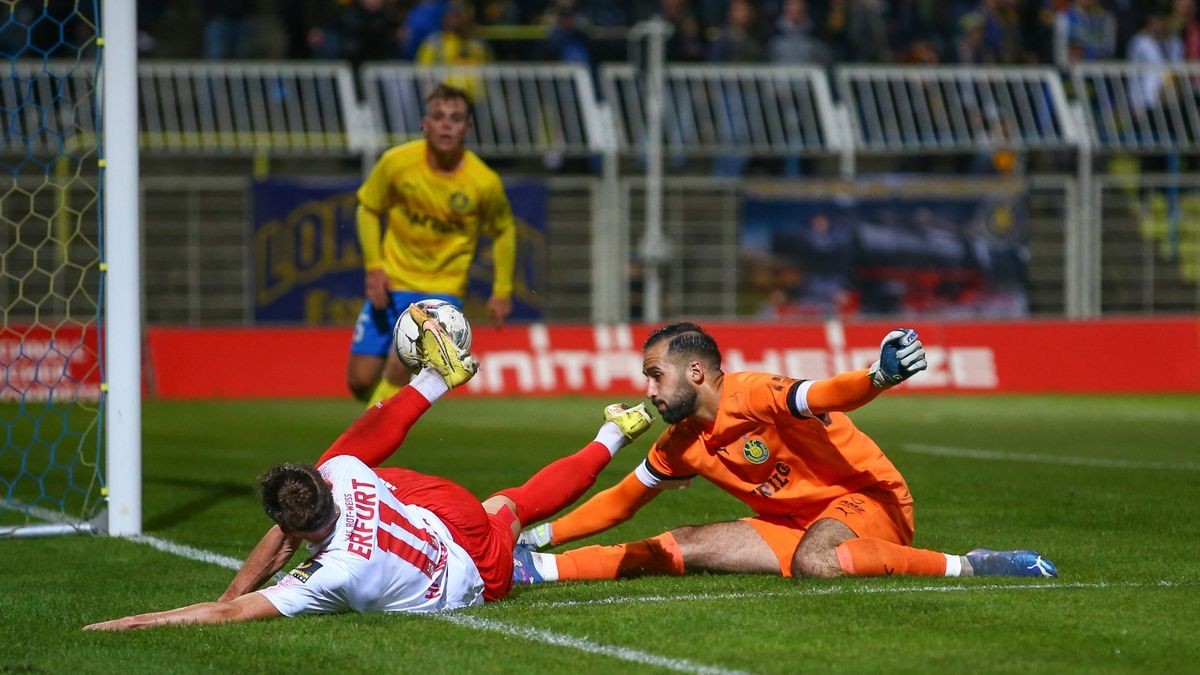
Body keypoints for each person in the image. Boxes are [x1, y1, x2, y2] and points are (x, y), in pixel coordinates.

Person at [83, 307, 655, 630]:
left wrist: (127, 624)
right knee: (506, 504)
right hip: (440, 516)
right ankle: (439, 383)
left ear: (301, 531)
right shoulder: (348, 476)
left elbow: (229, 613)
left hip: (478, 573)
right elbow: (297, 519)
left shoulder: (334, 576)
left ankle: (610, 434)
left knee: (510, 510)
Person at [513, 322, 1057, 585]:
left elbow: (821, 394)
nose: (649, 391)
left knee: (817, 562)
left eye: (656, 376)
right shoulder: (679, 443)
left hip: (867, 502)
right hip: (794, 522)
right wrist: (534, 532)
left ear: (695, 372)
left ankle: (971, 565)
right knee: (678, 545)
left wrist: (879, 375)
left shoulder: (751, 393)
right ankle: (539, 570)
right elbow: (622, 502)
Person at [349, 83, 515, 406]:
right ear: (425, 123)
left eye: (456, 118)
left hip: (442, 291)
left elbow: (504, 229)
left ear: (467, 129)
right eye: (439, 116)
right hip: (393, 283)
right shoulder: (396, 163)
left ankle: (359, 448)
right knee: (360, 380)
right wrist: (373, 268)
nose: (447, 124)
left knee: (398, 370)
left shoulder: (484, 182)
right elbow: (368, 207)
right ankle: (377, 422)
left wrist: (503, 290)